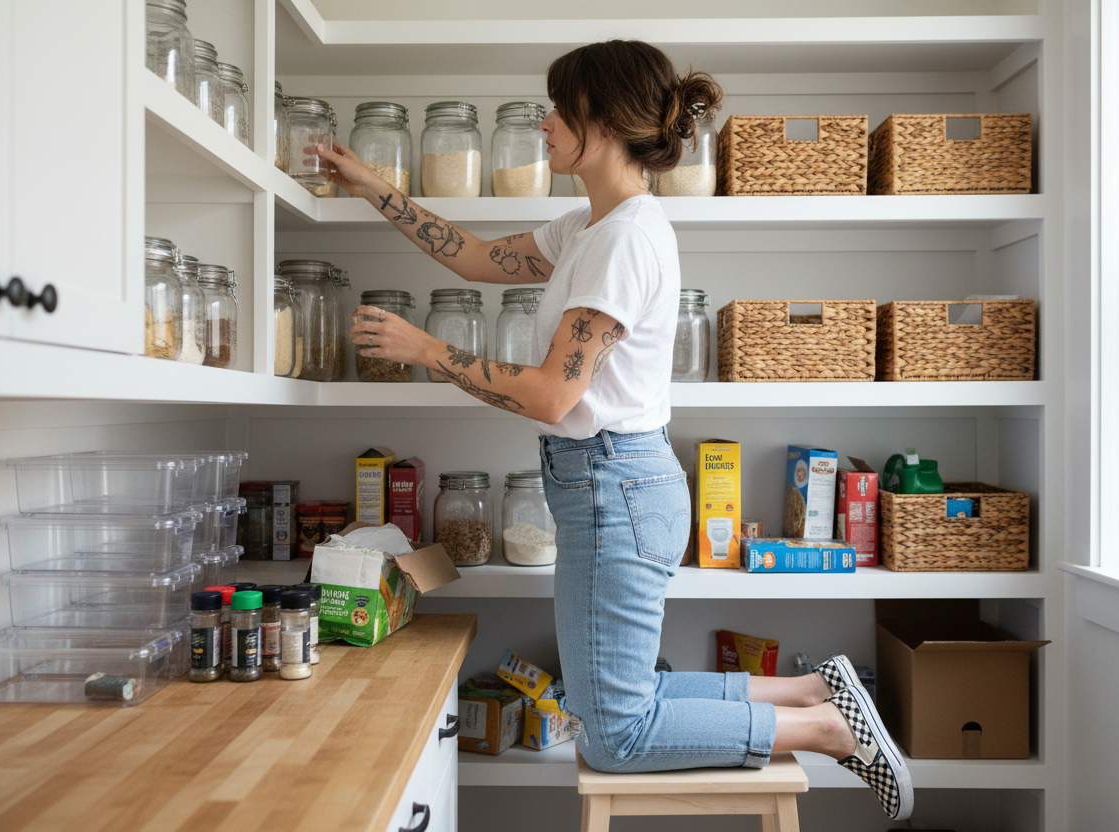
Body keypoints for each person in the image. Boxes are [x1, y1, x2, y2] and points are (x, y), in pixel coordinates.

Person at [313, 39, 912, 822]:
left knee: (617, 734)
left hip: (613, 490)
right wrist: (369, 184)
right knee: (625, 698)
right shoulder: (589, 228)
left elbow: (551, 398)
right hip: (613, 487)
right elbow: (475, 258)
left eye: (562, 106)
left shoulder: (625, 239)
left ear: (603, 118)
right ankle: (806, 688)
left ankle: (826, 727)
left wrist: (429, 351)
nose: (546, 119)